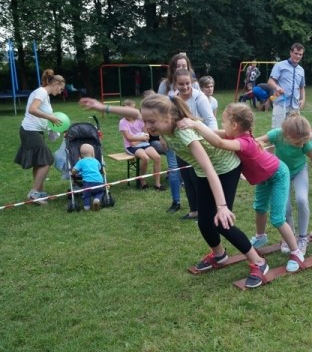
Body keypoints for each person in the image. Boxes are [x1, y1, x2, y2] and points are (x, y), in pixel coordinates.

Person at [80, 95, 270, 288]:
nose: (147, 125)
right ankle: (219, 255)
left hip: (224, 168)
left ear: (167, 117)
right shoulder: (160, 121)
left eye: (151, 122)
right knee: (204, 221)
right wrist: (102, 107)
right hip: (204, 172)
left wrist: (221, 206)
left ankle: (258, 262)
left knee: (222, 222)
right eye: (145, 121)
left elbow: (209, 168)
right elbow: (134, 113)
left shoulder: (183, 133)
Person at [178, 103, 306, 273]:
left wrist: (196, 124)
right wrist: (195, 132)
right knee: (259, 208)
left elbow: (218, 142)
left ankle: (296, 252)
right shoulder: (236, 135)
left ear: (234, 125)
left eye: (223, 121)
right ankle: (261, 237)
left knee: (277, 218)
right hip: (263, 178)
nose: (222, 125)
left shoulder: (243, 142)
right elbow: (217, 134)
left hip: (277, 175)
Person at [254, 114, 312, 253]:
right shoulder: (277, 135)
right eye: (298, 143)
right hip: (280, 174)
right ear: (286, 135)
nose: (302, 145)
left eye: (304, 142)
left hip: (299, 171)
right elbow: (255, 142)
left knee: (302, 200)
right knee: (285, 208)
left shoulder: (306, 143)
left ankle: (303, 238)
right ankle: (289, 237)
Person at [158, 55, 217, 218]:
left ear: (192, 83)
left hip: (197, 141)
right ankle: (194, 210)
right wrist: (162, 136)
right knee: (186, 177)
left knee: (197, 176)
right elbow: (163, 118)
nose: (185, 87)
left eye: (187, 84)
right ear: (175, 84)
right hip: (180, 143)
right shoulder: (172, 98)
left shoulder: (199, 97)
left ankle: (207, 209)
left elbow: (211, 120)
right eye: (181, 84)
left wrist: (210, 140)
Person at [14, 69, 66, 204]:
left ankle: (40, 193)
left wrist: (51, 128)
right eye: (61, 88)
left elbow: (42, 114)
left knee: (39, 161)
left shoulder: (45, 95)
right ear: (55, 83)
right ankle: (34, 193)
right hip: (29, 131)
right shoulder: (41, 92)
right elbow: (32, 109)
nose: (61, 92)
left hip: (35, 131)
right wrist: (50, 117)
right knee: (47, 159)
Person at [143, 89, 181, 212]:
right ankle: (176, 201)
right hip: (165, 142)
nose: (148, 125)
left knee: (190, 170)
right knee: (174, 168)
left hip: (181, 141)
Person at [118, 99, 164, 190]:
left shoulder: (140, 120)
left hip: (143, 143)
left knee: (157, 157)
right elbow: (129, 138)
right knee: (145, 158)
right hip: (130, 147)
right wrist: (140, 138)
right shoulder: (122, 122)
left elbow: (147, 135)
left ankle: (157, 183)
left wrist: (138, 140)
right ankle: (142, 179)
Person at [268, 43, 306, 128]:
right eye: (296, 53)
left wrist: (303, 99)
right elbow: (270, 81)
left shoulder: (301, 70)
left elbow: (301, 87)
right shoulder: (280, 65)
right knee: (278, 131)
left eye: (300, 54)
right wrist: (278, 88)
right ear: (291, 52)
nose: (298, 56)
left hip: (294, 106)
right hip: (281, 103)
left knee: (294, 131)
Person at [71, 143, 104, 211]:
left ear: (81, 154)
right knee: (99, 192)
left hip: (88, 182)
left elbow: (74, 170)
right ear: (92, 153)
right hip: (99, 180)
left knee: (86, 194)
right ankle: (96, 200)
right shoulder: (96, 161)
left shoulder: (81, 162)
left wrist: (73, 172)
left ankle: (87, 207)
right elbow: (99, 168)